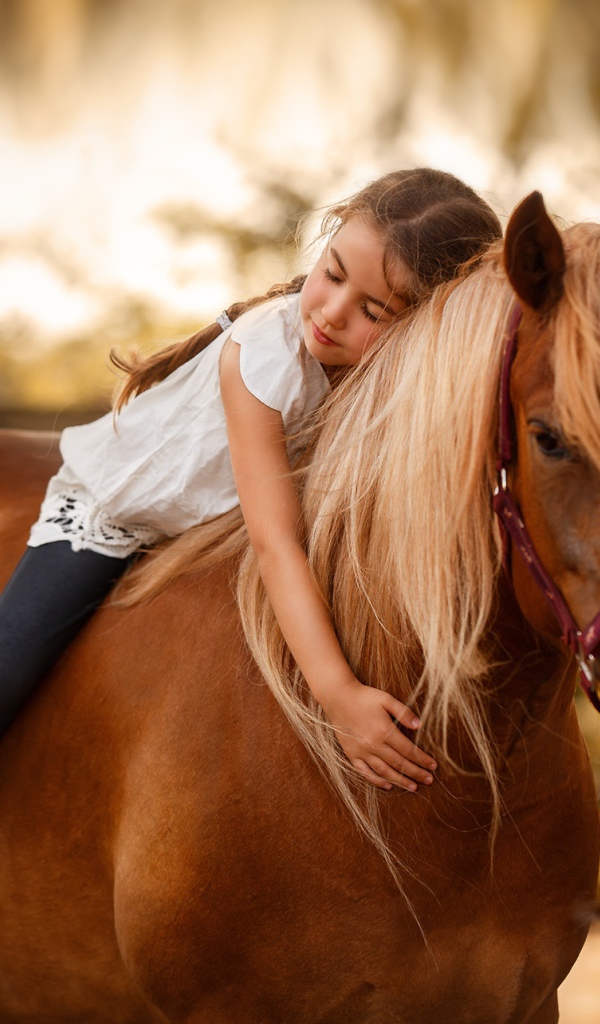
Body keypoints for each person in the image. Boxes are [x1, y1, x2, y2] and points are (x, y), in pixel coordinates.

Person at [0, 168, 502, 792]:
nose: (331, 314)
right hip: (112, 508)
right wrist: (339, 695)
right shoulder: (265, 352)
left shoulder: (394, 377)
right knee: (8, 670)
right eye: (333, 274)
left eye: (373, 309)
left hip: (221, 514)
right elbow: (277, 542)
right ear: (325, 241)